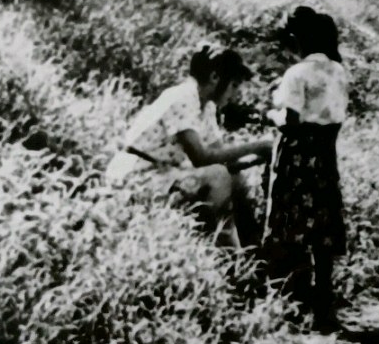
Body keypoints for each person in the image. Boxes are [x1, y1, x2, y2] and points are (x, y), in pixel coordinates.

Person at [105, 45, 271, 247]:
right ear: (214, 77)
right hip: (136, 176)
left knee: (234, 177)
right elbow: (201, 158)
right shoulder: (183, 97)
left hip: (164, 174)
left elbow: (222, 155)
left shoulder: (206, 105)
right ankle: (228, 253)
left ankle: (253, 246)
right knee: (218, 175)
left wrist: (264, 155)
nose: (235, 95)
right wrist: (256, 146)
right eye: (234, 86)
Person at [263, 5, 349, 334]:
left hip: (297, 156)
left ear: (296, 39)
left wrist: (272, 115)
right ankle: (323, 299)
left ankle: (289, 297)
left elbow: (291, 122)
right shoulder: (338, 71)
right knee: (322, 226)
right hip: (325, 155)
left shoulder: (298, 74)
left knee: (291, 221)